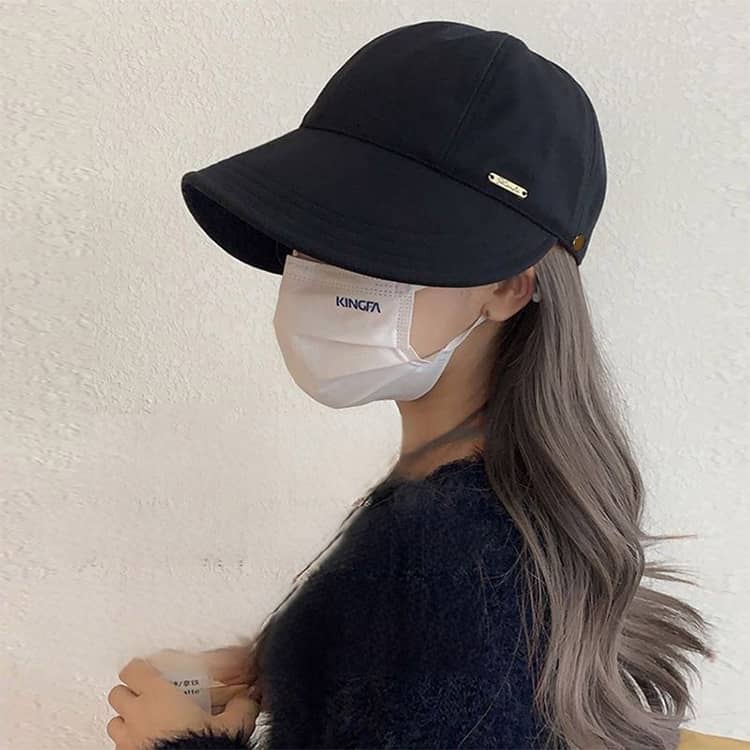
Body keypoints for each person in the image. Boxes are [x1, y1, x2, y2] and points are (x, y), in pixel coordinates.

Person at [106, 21, 717, 750]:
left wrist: (176, 744)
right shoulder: (465, 513)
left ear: (510, 288)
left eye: (381, 241)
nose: (324, 271)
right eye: (315, 229)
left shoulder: (455, 556)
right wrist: (290, 665)